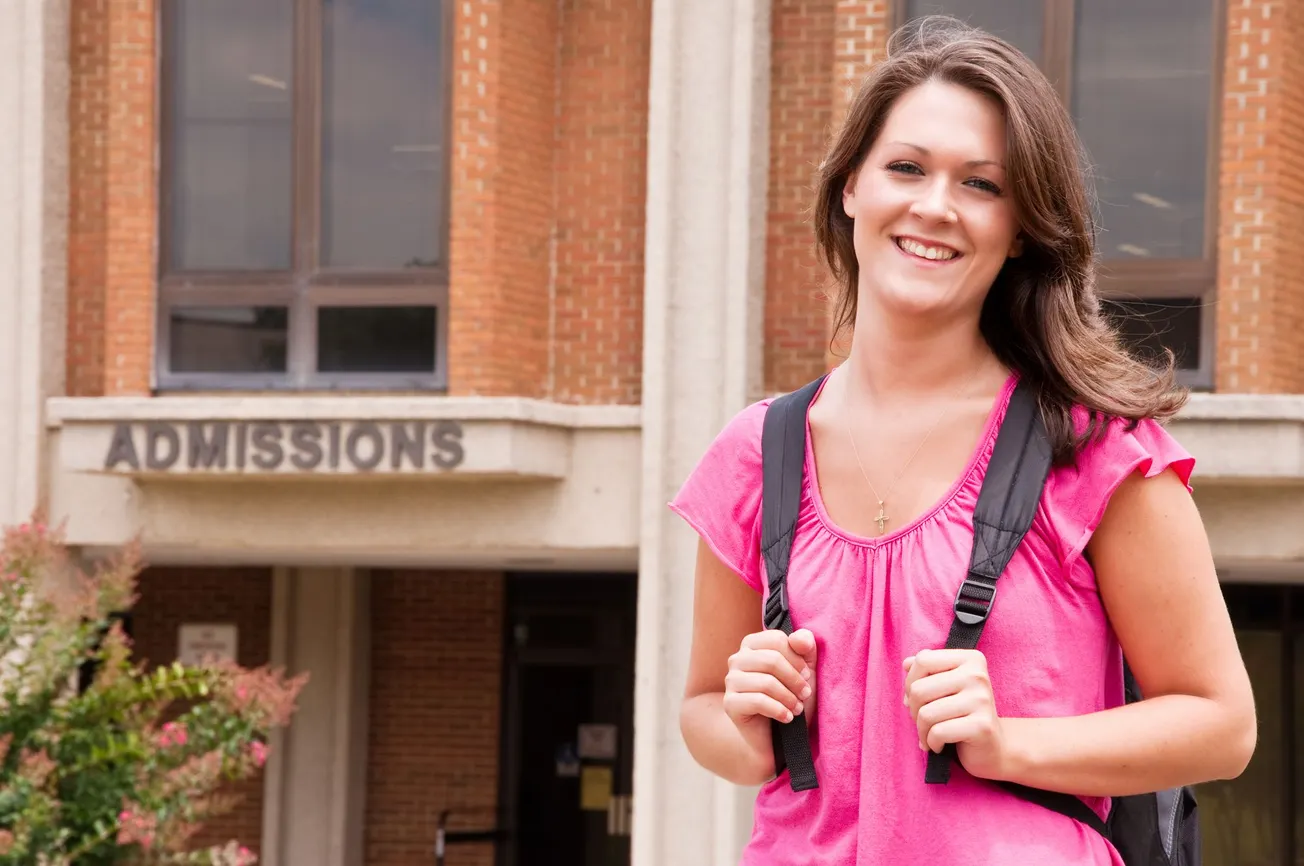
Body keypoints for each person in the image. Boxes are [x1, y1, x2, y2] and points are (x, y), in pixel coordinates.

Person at [670, 15, 1256, 865]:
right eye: (905, 167)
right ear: (851, 188)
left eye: (981, 184)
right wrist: (745, 719)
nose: (934, 206)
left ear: (1020, 227)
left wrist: (1009, 743)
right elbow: (701, 714)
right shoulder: (758, 450)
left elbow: (1221, 724)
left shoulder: (1094, 448)